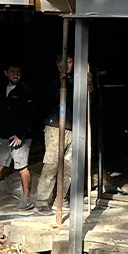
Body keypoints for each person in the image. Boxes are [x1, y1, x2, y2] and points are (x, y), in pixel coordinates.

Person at [0, 63, 35, 211]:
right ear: (6, 73)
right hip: (3, 135)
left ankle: (26, 199)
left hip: (19, 137)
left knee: (22, 167)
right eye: (12, 72)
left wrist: (21, 135)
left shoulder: (26, 91)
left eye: (18, 72)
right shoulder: (1, 91)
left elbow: (30, 116)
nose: (15, 75)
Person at [35, 55, 87, 210]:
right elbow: (48, 98)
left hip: (74, 126)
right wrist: (61, 82)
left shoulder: (76, 80)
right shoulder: (51, 80)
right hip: (55, 126)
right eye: (65, 62)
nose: (68, 65)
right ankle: (42, 201)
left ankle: (61, 198)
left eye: (70, 62)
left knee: (69, 166)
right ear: (58, 64)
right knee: (52, 164)